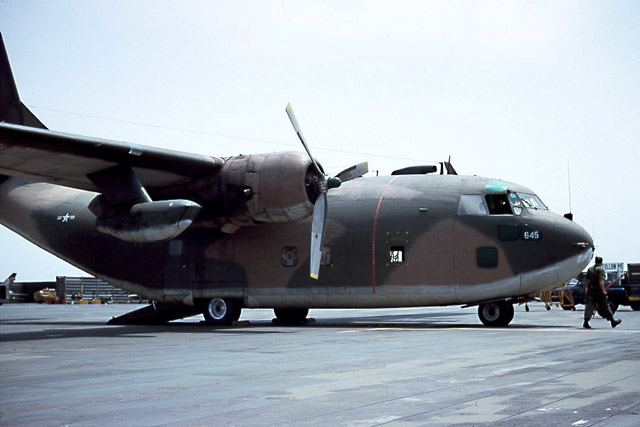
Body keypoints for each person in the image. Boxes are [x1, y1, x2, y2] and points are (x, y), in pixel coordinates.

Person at [583, 256, 622, 329]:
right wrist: (603, 291)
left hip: (591, 291)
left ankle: (586, 322)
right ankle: (612, 321)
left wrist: (587, 289)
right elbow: (601, 281)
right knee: (605, 306)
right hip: (598, 292)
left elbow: (587, 281)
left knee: (589, 306)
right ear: (601, 262)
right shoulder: (600, 270)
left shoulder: (590, 269)